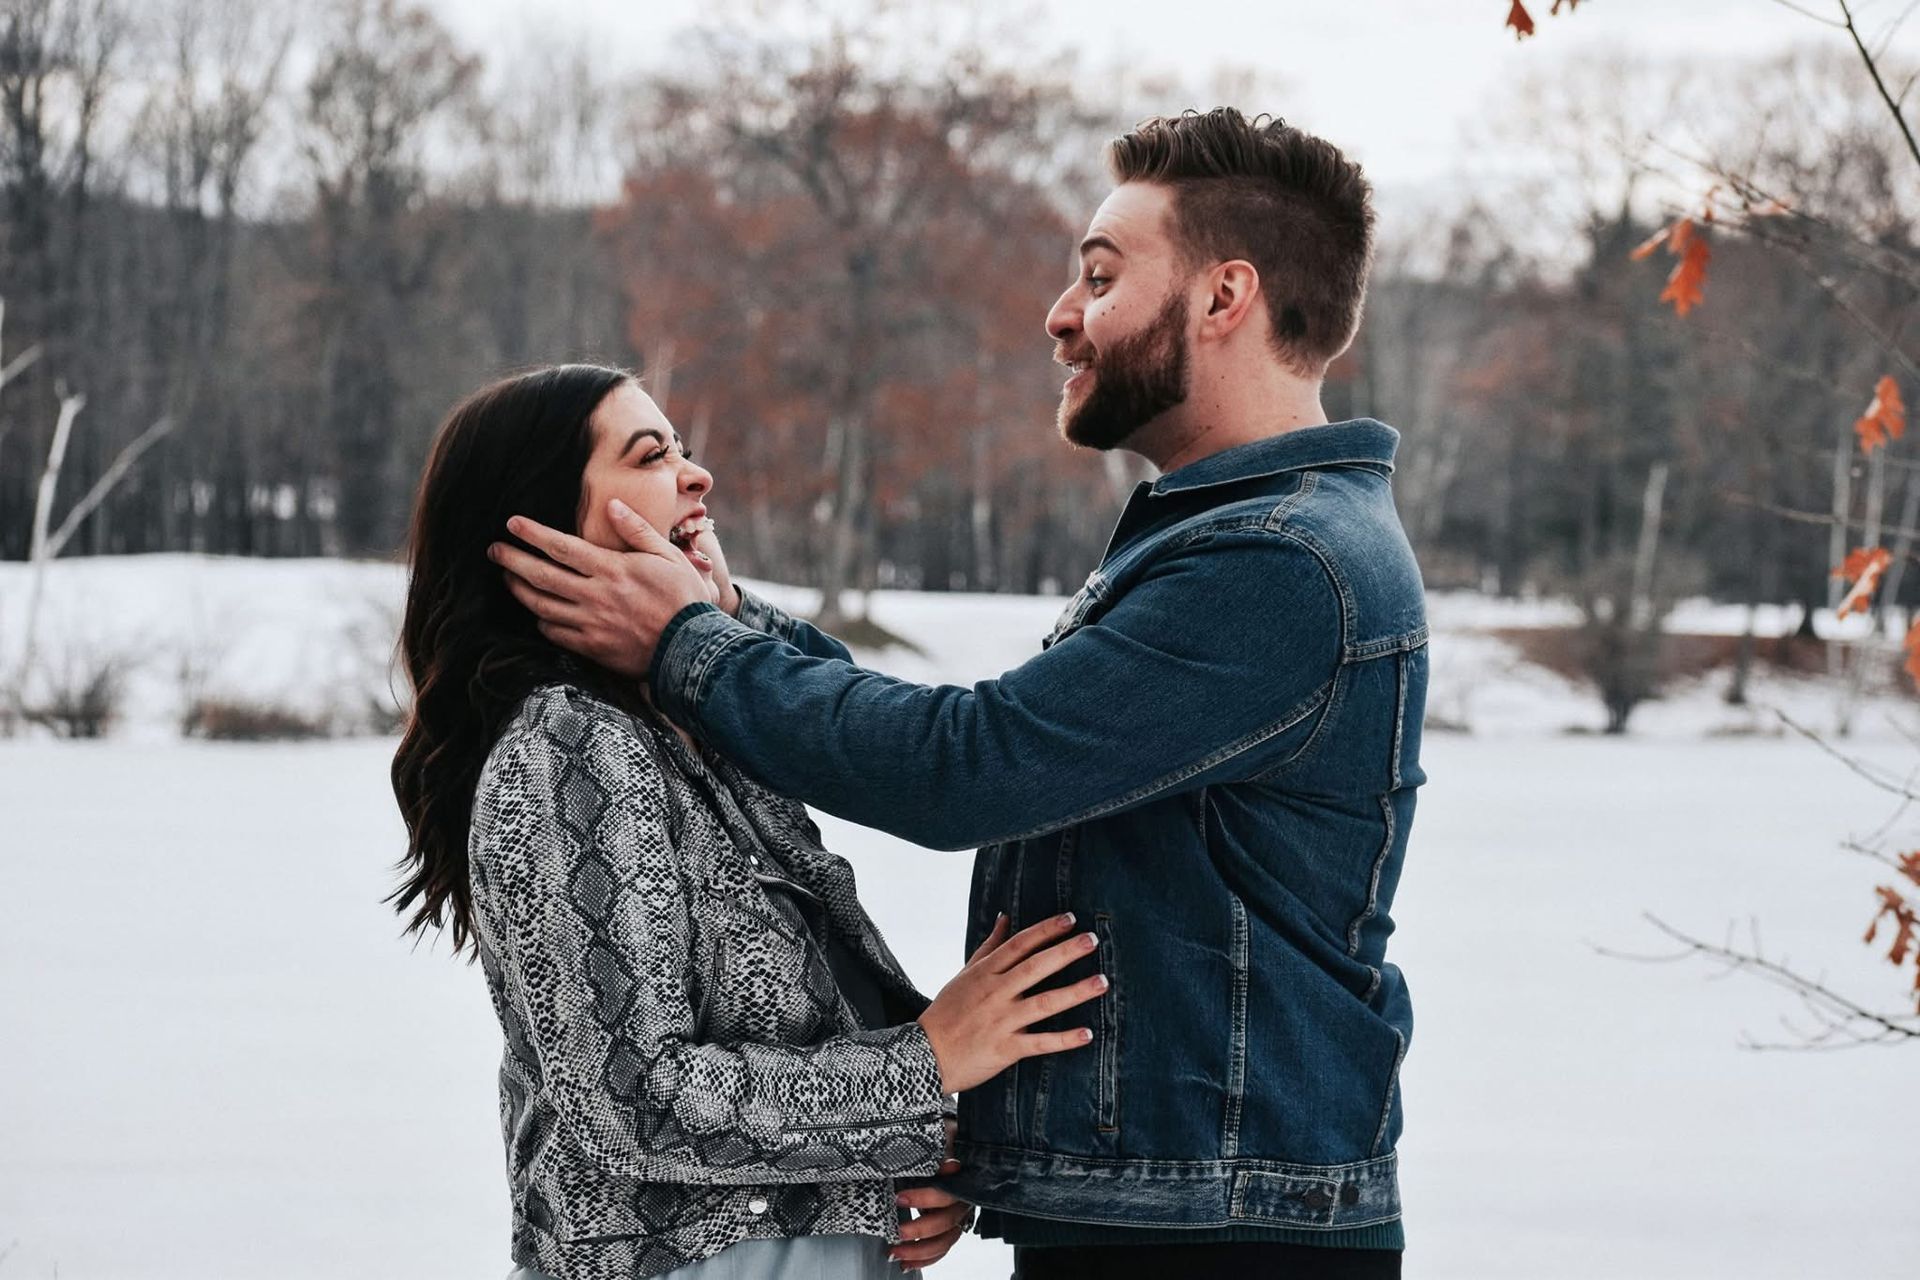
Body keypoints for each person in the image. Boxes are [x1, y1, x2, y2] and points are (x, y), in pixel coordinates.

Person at [496, 107, 1426, 1280]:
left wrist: (693, 643)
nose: (1061, 313)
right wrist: (728, 628)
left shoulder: (1282, 562)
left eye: (1099, 274)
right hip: (1179, 1209)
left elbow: (970, 766)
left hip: (1222, 1227)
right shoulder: (1235, 538)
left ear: (1223, 296)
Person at [389, 365, 1108, 1280]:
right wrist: (927, 1065)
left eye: (684, 449)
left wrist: (917, 1155)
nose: (698, 476)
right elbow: (632, 1101)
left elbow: (860, 734)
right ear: (543, 525)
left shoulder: (694, 730)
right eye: (653, 456)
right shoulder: (569, 744)